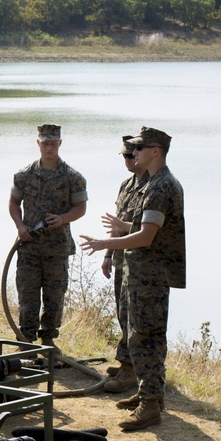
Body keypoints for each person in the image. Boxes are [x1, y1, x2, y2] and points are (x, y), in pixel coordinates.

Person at [80, 127, 186, 431]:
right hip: (140, 274)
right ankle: (148, 393)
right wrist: (116, 239)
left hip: (151, 276)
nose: (133, 153)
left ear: (156, 151)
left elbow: (146, 236)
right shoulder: (149, 184)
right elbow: (140, 227)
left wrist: (105, 244)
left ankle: (151, 404)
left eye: (139, 149)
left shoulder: (162, 186)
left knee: (147, 337)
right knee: (139, 333)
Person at [8, 124, 88, 354]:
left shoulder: (73, 177)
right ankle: (25, 340)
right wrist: (20, 225)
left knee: (55, 295)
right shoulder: (23, 175)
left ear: (60, 143)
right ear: (38, 144)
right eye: (45, 143)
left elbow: (81, 207)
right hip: (29, 246)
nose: (49, 147)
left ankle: (48, 340)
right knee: (27, 293)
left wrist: (63, 218)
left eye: (53, 143)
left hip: (57, 248)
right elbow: (13, 202)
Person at [101, 137, 148, 394]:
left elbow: (148, 231)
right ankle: (127, 363)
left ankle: (131, 371)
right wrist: (108, 254)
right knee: (122, 313)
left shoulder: (151, 186)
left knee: (134, 318)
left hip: (140, 264)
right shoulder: (126, 186)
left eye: (131, 156)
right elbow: (116, 227)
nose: (128, 161)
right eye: (124, 157)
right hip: (122, 261)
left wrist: (122, 231)